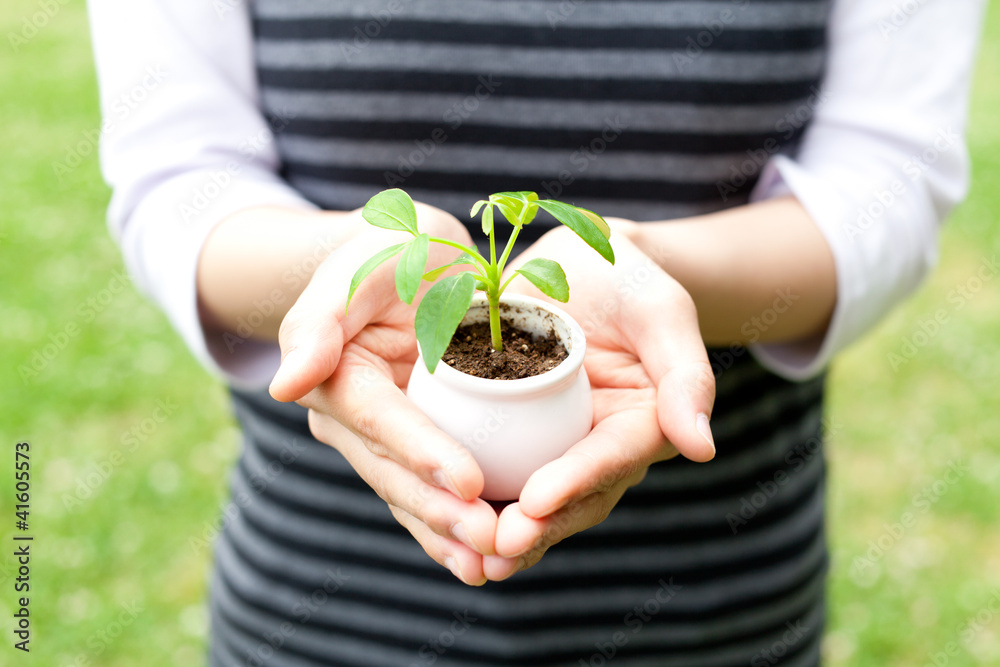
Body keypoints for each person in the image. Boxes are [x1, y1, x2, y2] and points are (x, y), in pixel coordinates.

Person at [88, 0, 984, 664]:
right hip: (322, 609)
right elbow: (179, 176)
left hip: (710, 612)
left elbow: (888, 180)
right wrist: (354, 268)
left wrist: (654, 271)